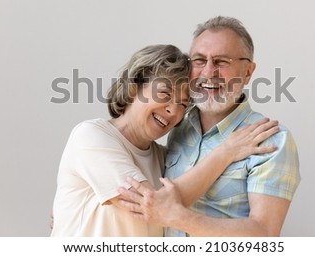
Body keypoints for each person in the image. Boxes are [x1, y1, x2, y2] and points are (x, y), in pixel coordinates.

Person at [50, 44, 279, 236]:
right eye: (165, 94)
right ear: (135, 87)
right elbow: (155, 205)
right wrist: (227, 151)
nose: (173, 110)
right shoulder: (91, 136)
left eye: (182, 103)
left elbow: (167, 212)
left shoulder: (164, 159)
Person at [118, 16, 301, 236]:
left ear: (248, 72)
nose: (208, 73)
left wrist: (178, 217)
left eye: (222, 61)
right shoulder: (178, 129)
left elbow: (265, 233)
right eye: (199, 60)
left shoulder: (271, 139)